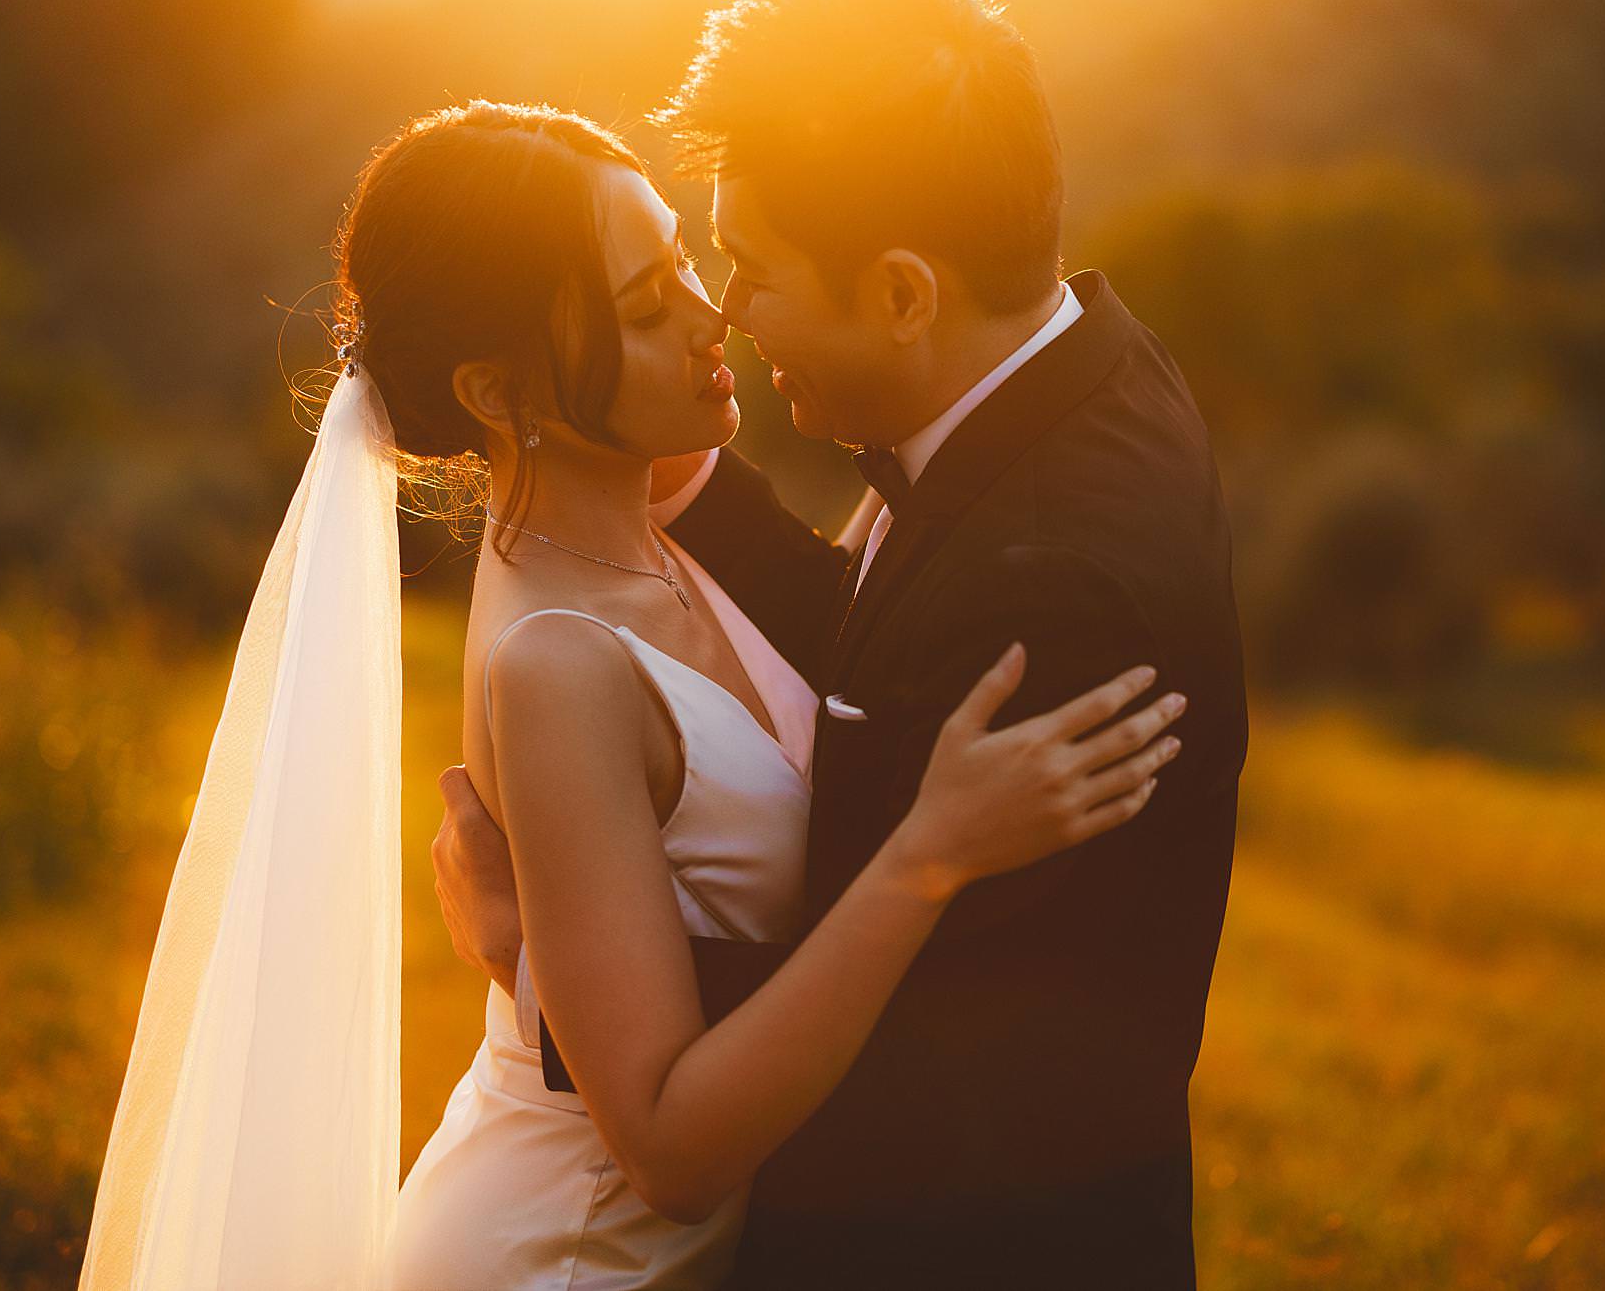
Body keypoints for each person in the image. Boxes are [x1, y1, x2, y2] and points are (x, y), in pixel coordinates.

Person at [78, 99, 1183, 1291]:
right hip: (571, 1254)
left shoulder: (659, 509)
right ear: (500, 395)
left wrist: (531, 958)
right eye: (647, 307)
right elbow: (664, 1148)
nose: (712, 316)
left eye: (684, 264)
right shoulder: (558, 664)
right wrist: (928, 855)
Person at [435, 0, 1248, 1291]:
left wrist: (551, 969)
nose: (727, 317)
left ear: (904, 295)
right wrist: (663, 461)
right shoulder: (1085, 372)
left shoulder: (1053, 588)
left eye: (750, 270)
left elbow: (941, 1056)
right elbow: (885, 636)